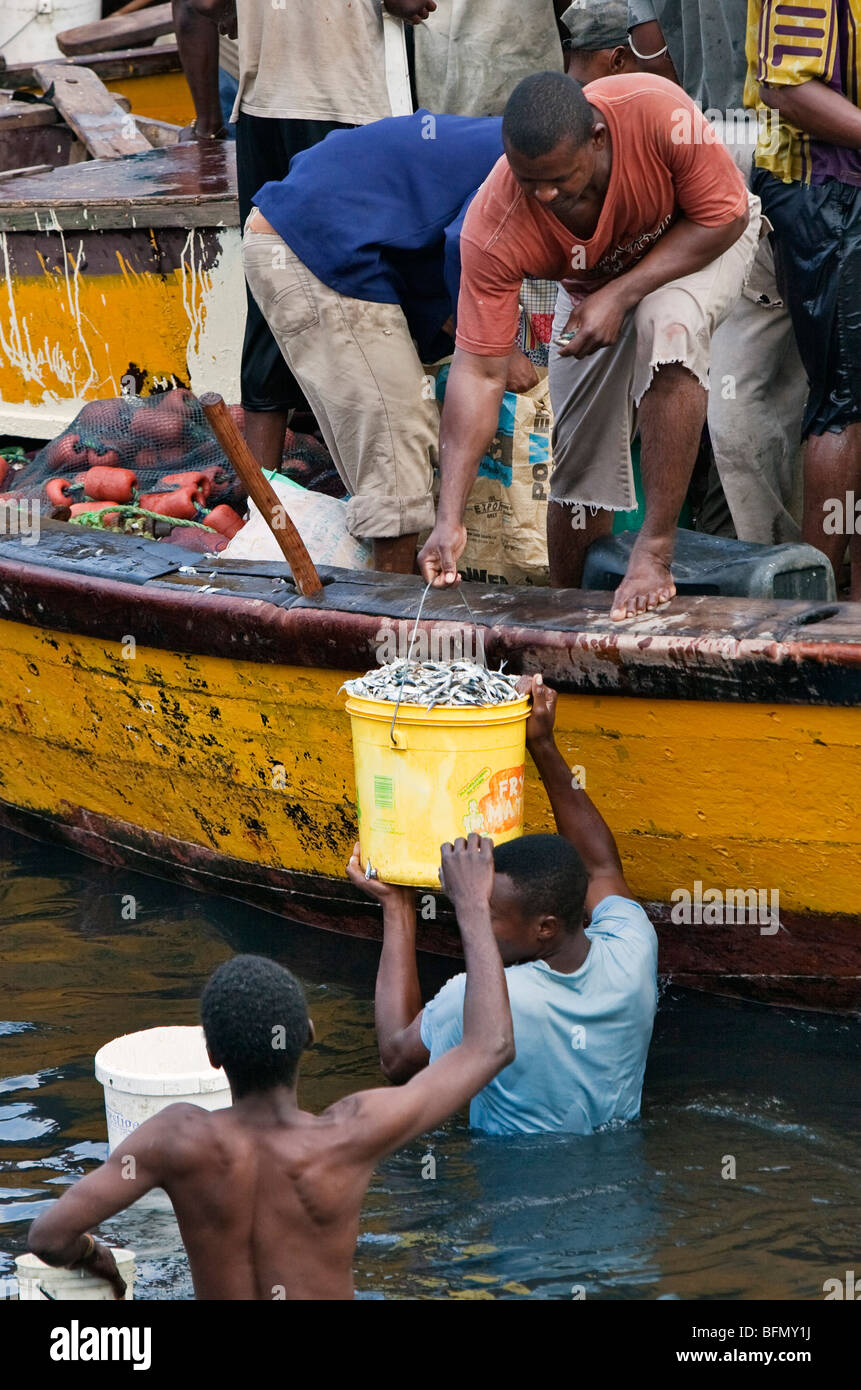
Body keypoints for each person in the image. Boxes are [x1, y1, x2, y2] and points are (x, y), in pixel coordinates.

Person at [26, 849, 514, 1301]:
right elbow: (489, 1046)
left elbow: (49, 1237)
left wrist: (97, 1257)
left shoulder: (175, 1139)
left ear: (213, 1055)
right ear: (307, 1034)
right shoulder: (350, 1133)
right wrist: (471, 903)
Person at [417, 70, 760, 618]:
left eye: (558, 177)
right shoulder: (493, 225)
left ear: (597, 139)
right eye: (530, 181)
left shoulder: (653, 110)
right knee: (577, 461)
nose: (545, 195)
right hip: (594, 289)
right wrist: (448, 517)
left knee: (665, 325)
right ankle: (568, 610)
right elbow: (479, 374)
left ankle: (655, 550)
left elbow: (724, 215)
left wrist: (622, 293)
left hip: (705, 238)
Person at [349, 675, 658, 1135]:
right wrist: (542, 744)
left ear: (546, 928)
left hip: (515, 1191)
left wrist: (397, 908)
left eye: (487, 912)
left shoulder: (475, 1004)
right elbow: (600, 867)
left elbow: (396, 1061)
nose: (468, 917)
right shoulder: (633, 949)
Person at [243, 112, 508, 573]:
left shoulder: (519, 143)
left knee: (395, 437)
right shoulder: (529, 165)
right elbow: (461, 244)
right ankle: (394, 612)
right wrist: (498, 349)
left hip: (332, 237)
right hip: (310, 243)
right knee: (397, 427)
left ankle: (391, 588)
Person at [182, 0, 435, 480]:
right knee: (365, 293)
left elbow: (203, 4)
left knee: (269, 292)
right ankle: (385, 488)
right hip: (346, 107)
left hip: (263, 108)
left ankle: (264, 507)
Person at [626, 0, 807, 546]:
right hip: (790, 144)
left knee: (744, 383)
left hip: (712, 136)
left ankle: (774, 557)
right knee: (801, 386)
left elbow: (647, 38)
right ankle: (789, 562)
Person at [747, 0, 861, 596]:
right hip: (824, 188)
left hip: (843, 187)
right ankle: (816, 607)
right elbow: (786, 89)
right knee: (844, 401)